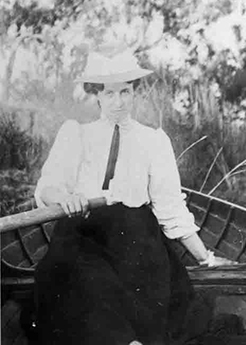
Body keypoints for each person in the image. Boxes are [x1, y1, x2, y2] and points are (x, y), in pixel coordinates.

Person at [34, 49, 235, 345]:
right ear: (97, 95)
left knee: (145, 281)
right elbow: (47, 188)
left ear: (134, 93)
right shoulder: (75, 134)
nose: (118, 102)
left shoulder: (153, 140)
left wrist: (206, 258)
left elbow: (170, 208)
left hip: (135, 232)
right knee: (76, 272)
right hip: (82, 227)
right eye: (110, 93)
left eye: (125, 92)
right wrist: (64, 197)